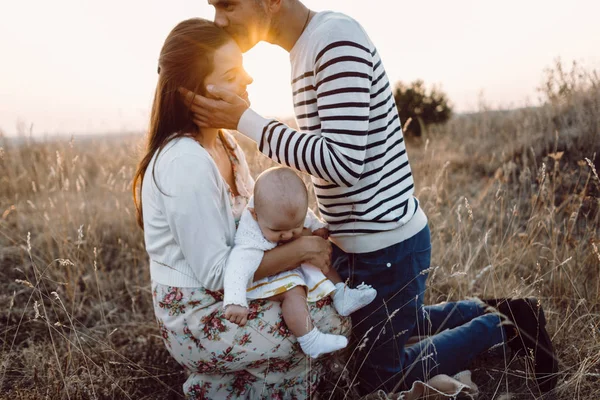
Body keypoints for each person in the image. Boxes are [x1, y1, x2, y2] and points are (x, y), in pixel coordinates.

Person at [182, 0, 558, 394]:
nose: (219, 20)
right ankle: (498, 310)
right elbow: (334, 156)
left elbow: (344, 163)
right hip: (364, 243)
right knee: (394, 327)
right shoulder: (305, 50)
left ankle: (502, 327)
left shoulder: (334, 40)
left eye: (227, 5)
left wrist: (246, 120)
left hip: (387, 245)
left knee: (379, 377)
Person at [133, 18, 350, 399]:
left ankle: (236, 385)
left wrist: (306, 233)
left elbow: (251, 230)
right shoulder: (185, 162)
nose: (248, 79)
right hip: (199, 314)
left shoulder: (227, 146)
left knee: (327, 294)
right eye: (232, 74)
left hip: (240, 290)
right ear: (190, 95)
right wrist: (298, 251)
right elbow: (218, 275)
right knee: (333, 317)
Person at [223, 167, 377, 358]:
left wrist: (317, 227)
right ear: (255, 215)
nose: (287, 235)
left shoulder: (284, 212)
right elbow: (236, 268)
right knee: (294, 291)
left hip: (290, 263)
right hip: (269, 273)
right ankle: (310, 339)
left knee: (317, 251)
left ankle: (341, 294)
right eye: (278, 231)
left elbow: (307, 216)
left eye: (294, 227)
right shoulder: (250, 235)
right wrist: (235, 300)